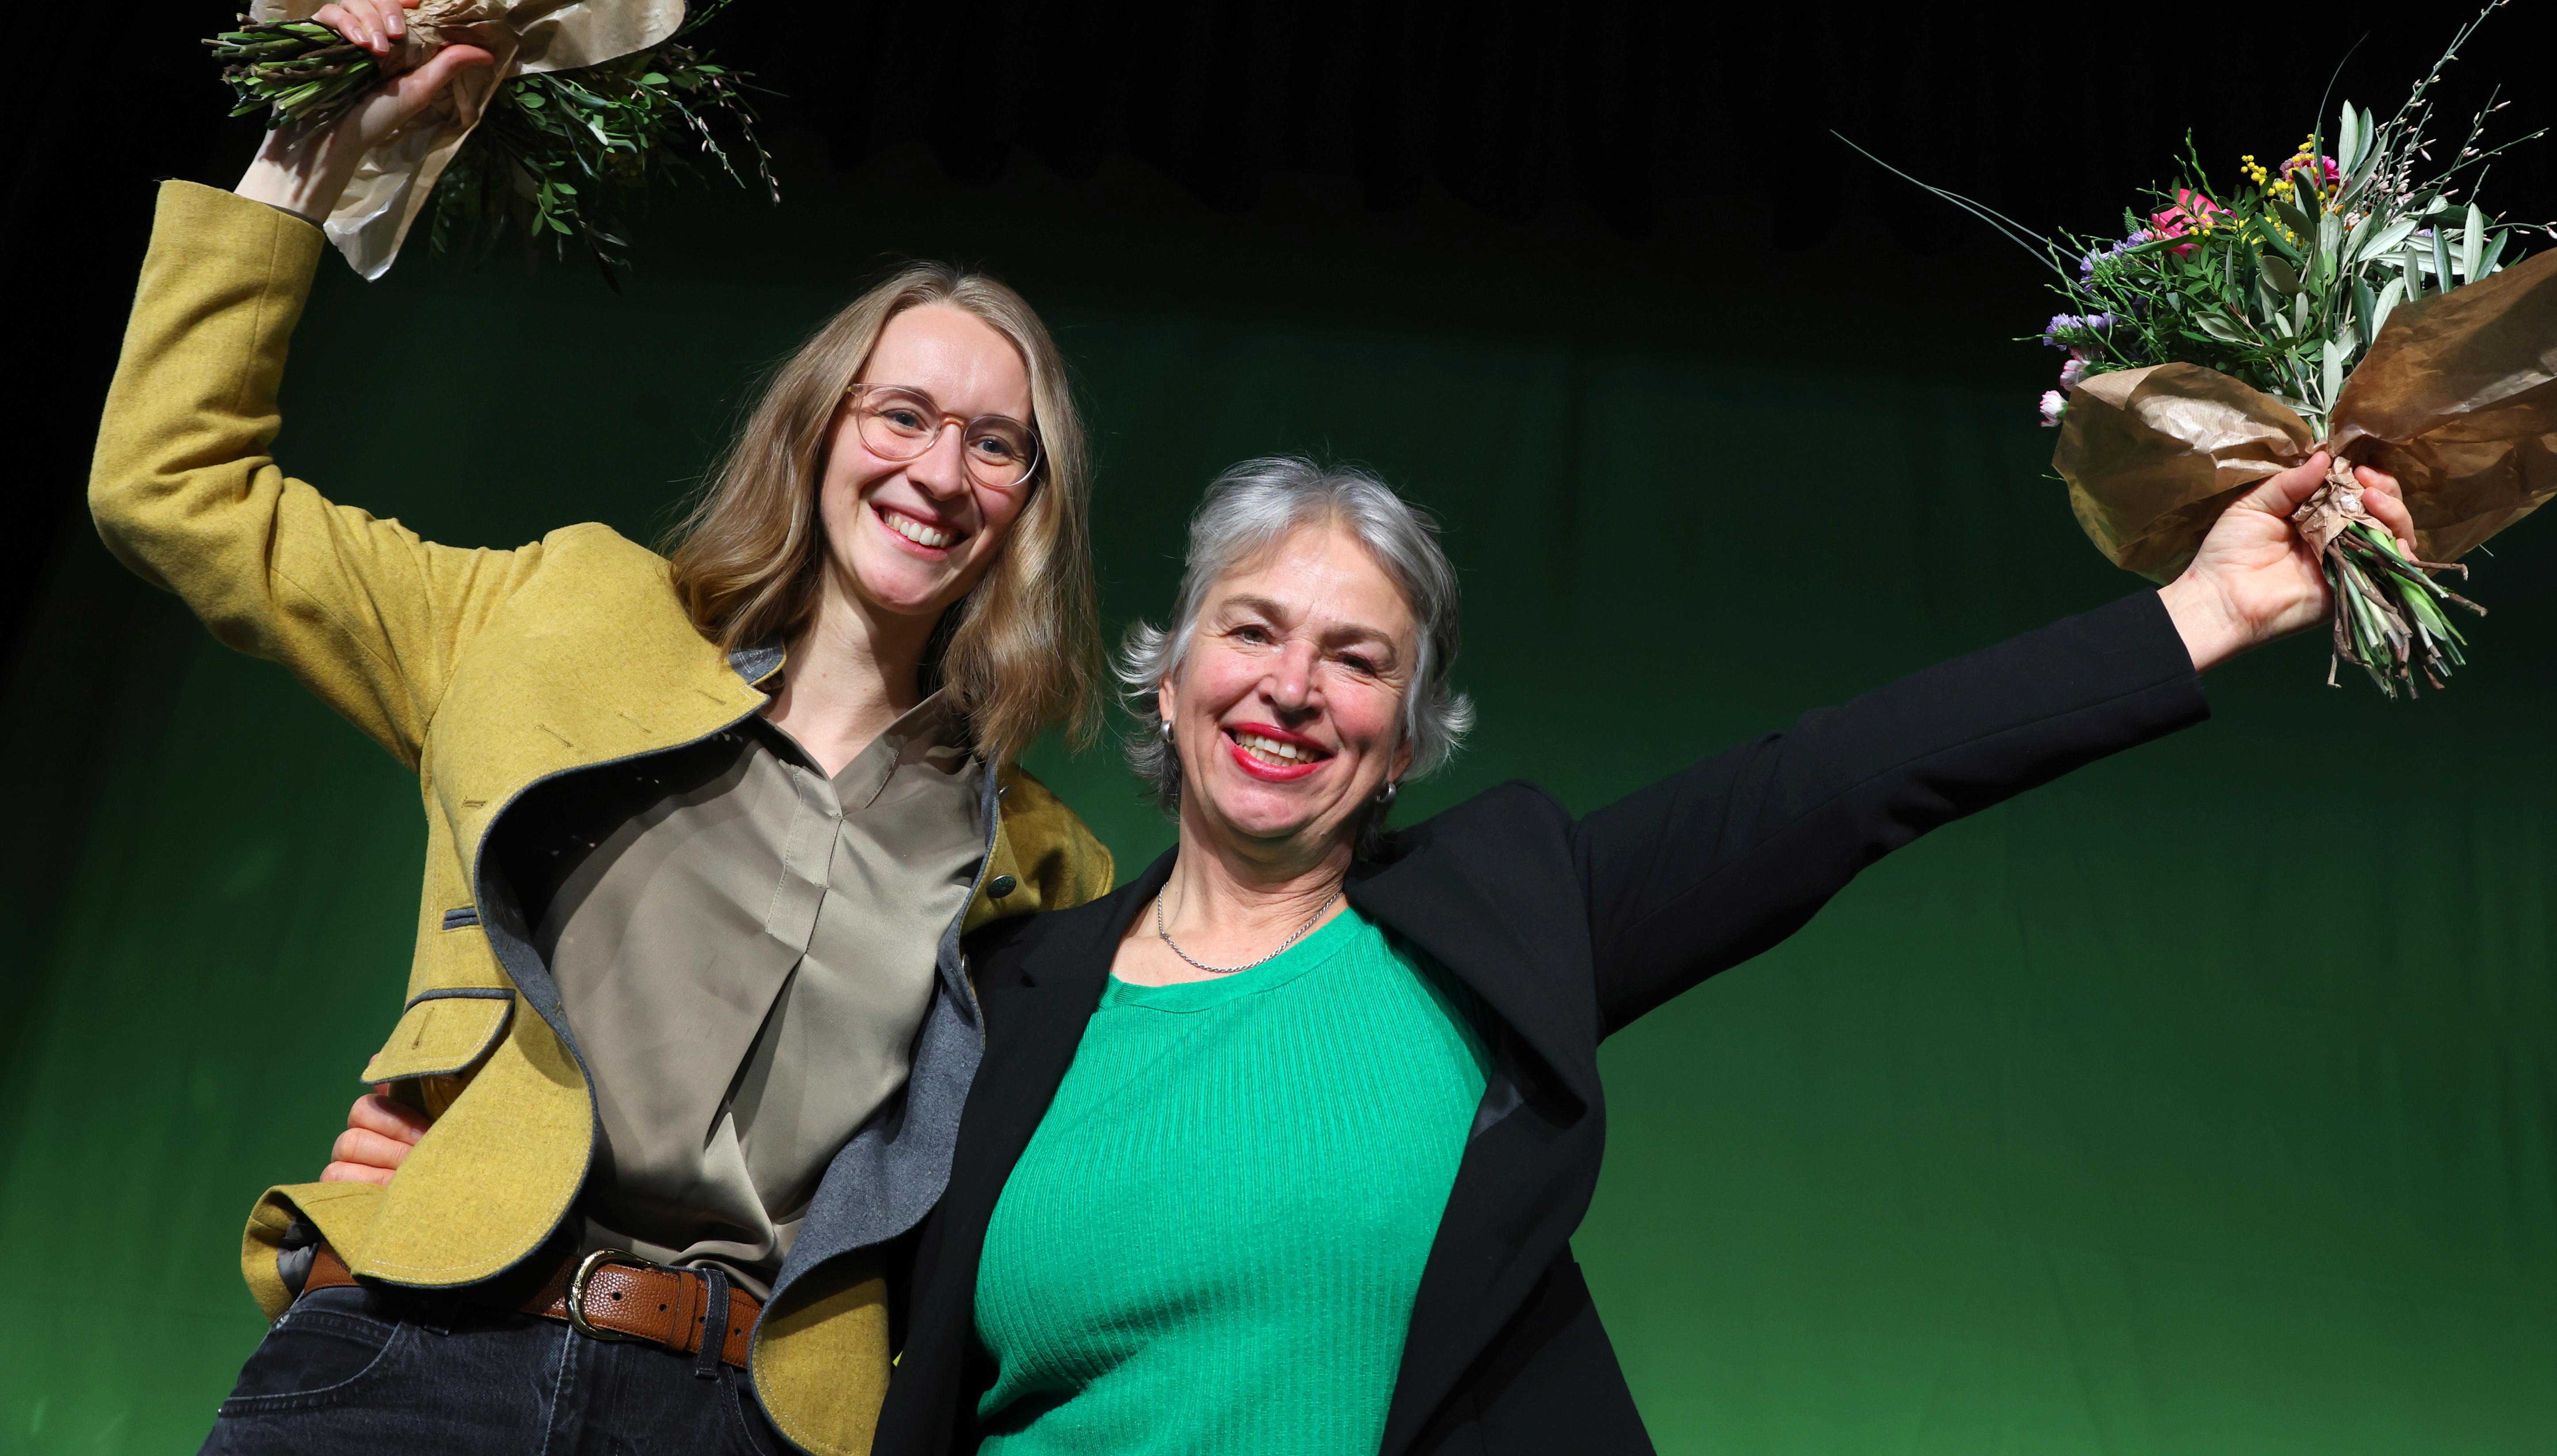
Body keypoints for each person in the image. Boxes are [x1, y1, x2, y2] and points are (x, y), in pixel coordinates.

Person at [351, 442, 2427, 1454]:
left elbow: (1843, 779)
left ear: (1406, 732)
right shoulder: (1010, 991)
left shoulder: (1494, 931)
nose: (1294, 686)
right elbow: (727, 1120)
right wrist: (452, 1145)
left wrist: (2208, 612)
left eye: (1359, 659)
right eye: (1253, 632)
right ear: (1166, 690)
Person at [92, 0, 1115, 1456]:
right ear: (821, 427)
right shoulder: (563, 612)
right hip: (421, 1357)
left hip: (749, 1418)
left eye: (995, 442)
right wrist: (310, 158)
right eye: (900, 413)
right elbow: (171, 490)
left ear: (1030, 505)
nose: (938, 468)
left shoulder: (1034, 861)